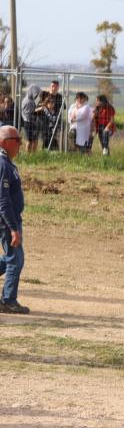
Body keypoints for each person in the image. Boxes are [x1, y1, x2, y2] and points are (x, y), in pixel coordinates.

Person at [0, 126, 28, 313]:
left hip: (9, 220)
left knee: (13, 259)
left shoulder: (6, 163)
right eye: (17, 139)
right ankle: (8, 301)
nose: (20, 143)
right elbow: (3, 199)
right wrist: (12, 228)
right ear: (5, 142)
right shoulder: (2, 164)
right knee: (15, 260)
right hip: (6, 222)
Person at [20, 84, 42, 153]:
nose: (37, 95)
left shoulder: (33, 98)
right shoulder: (27, 101)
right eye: (36, 93)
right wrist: (39, 109)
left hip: (34, 122)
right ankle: (28, 155)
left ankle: (33, 155)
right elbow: (29, 114)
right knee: (29, 141)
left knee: (35, 140)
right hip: (28, 123)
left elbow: (38, 103)